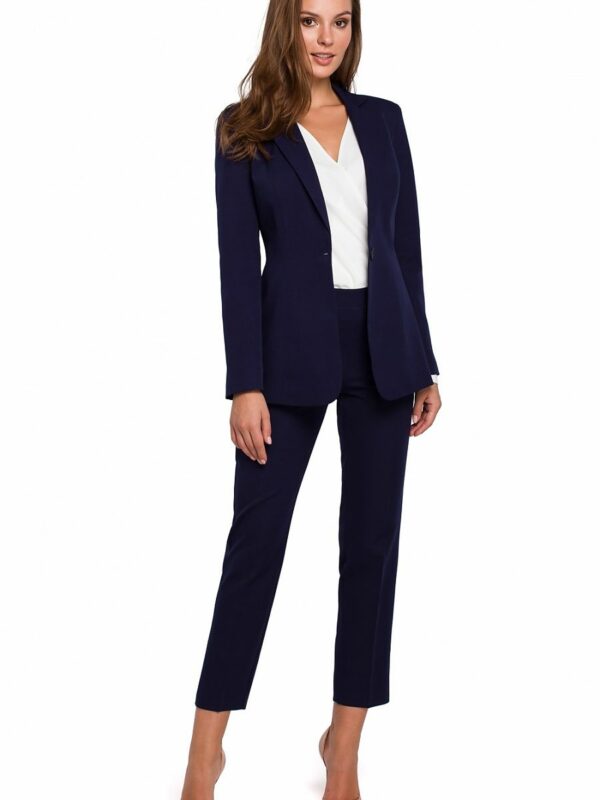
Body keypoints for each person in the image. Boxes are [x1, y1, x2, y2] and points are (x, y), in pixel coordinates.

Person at [181, 0, 442, 797]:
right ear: (283, 27)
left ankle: (344, 751)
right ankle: (204, 754)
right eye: (309, 21)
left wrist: (423, 362)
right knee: (255, 547)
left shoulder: (384, 122)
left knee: (371, 548)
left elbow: (404, 247)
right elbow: (236, 266)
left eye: (341, 22)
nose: (326, 38)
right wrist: (244, 383)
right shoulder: (243, 130)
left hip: (383, 348)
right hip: (286, 354)